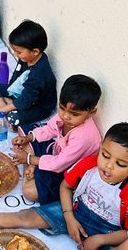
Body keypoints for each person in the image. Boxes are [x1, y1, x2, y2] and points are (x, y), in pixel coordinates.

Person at [0, 122, 128, 250]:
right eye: (105, 155)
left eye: (121, 164)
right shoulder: (89, 165)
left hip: (107, 232)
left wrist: (99, 240)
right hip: (75, 211)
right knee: (26, 216)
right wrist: (70, 217)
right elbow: (65, 186)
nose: (108, 166)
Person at [11, 74, 102, 204]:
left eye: (74, 114)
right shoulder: (66, 117)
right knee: (23, 135)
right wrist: (29, 137)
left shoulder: (84, 138)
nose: (65, 116)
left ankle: (31, 168)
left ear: (91, 113)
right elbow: (49, 129)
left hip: (66, 170)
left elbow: (59, 164)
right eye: (62, 108)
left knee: (29, 192)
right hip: (56, 152)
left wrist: (28, 159)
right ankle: (33, 167)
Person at [0, 20, 57, 128]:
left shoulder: (39, 73)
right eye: (14, 51)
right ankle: (7, 108)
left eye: (18, 52)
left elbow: (26, 100)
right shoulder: (26, 57)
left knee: (13, 118)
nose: (15, 54)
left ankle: (7, 110)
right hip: (21, 93)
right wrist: (8, 105)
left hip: (38, 105)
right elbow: (15, 78)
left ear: (35, 51)